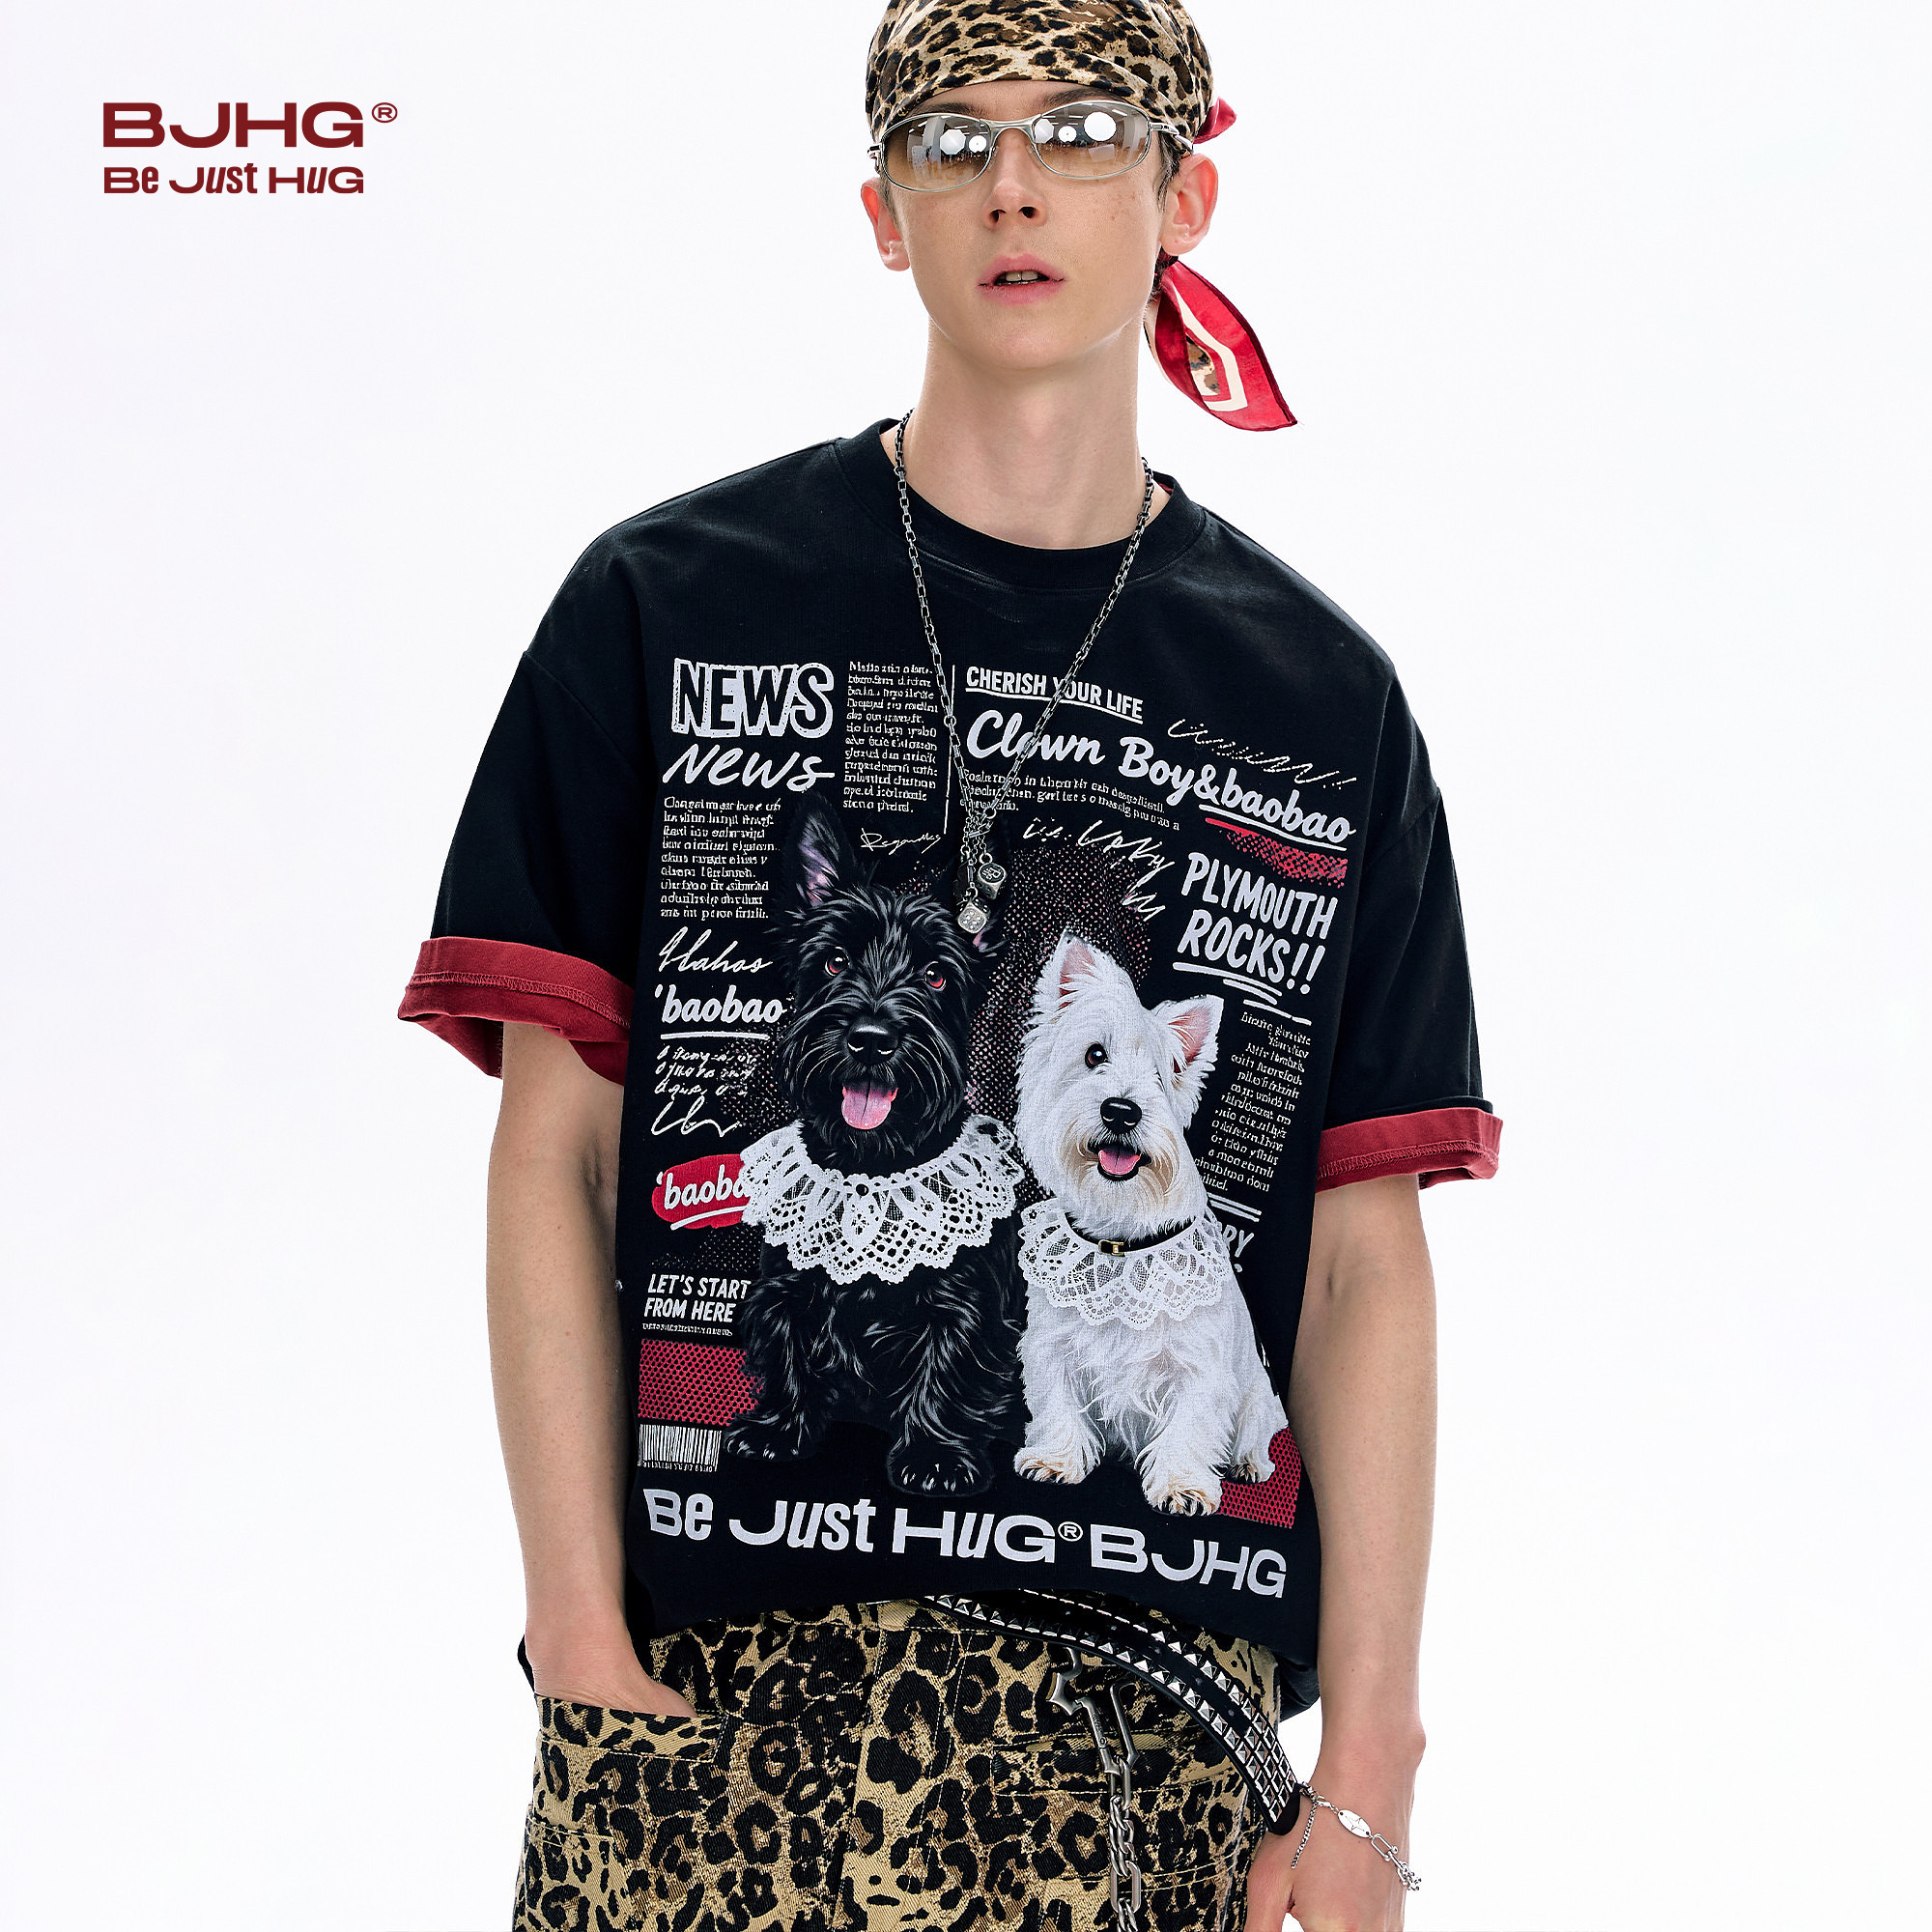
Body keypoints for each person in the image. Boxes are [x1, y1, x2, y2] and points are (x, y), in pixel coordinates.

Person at [398, 4, 1500, 1927]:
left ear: (1184, 197)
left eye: (1079, 132)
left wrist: (1372, 1776)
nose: (1011, 185)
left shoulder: (1321, 703)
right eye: (950, 137)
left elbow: (1359, 1258)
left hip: (1149, 1738)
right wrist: (575, 1640)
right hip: (711, 1719)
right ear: (879, 210)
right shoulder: (661, 606)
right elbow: (555, 1151)